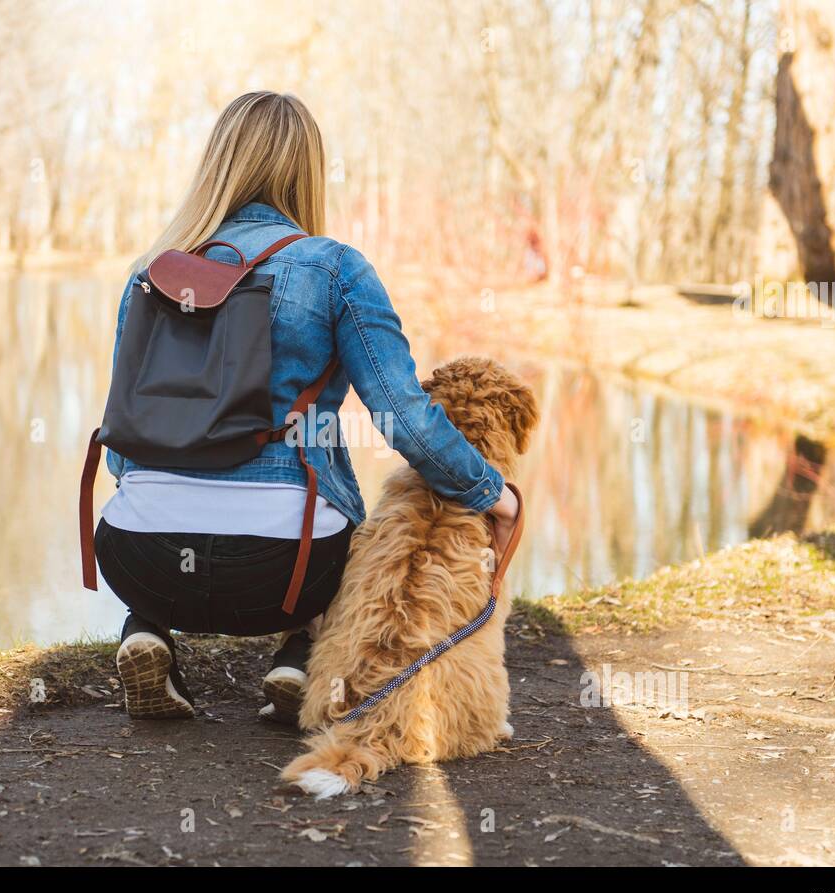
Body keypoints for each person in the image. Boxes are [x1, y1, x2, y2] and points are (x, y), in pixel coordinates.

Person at [94, 90, 521, 722]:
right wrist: (491, 492)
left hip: (138, 555)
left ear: (217, 166)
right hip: (285, 570)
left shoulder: (153, 273)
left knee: (159, 497)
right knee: (360, 529)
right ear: (308, 171)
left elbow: (125, 449)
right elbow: (402, 418)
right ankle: (300, 652)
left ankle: (147, 627)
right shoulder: (336, 269)